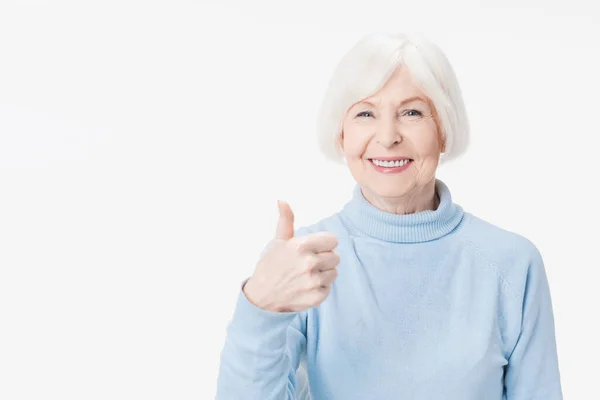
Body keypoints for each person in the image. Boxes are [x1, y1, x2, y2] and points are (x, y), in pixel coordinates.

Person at [215, 32, 562, 399]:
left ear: (443, 131)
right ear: (342, 135)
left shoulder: (511, 264)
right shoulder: (305, 262)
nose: (387, 136)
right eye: (365, 113)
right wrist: (260, 308)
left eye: (412, 112)